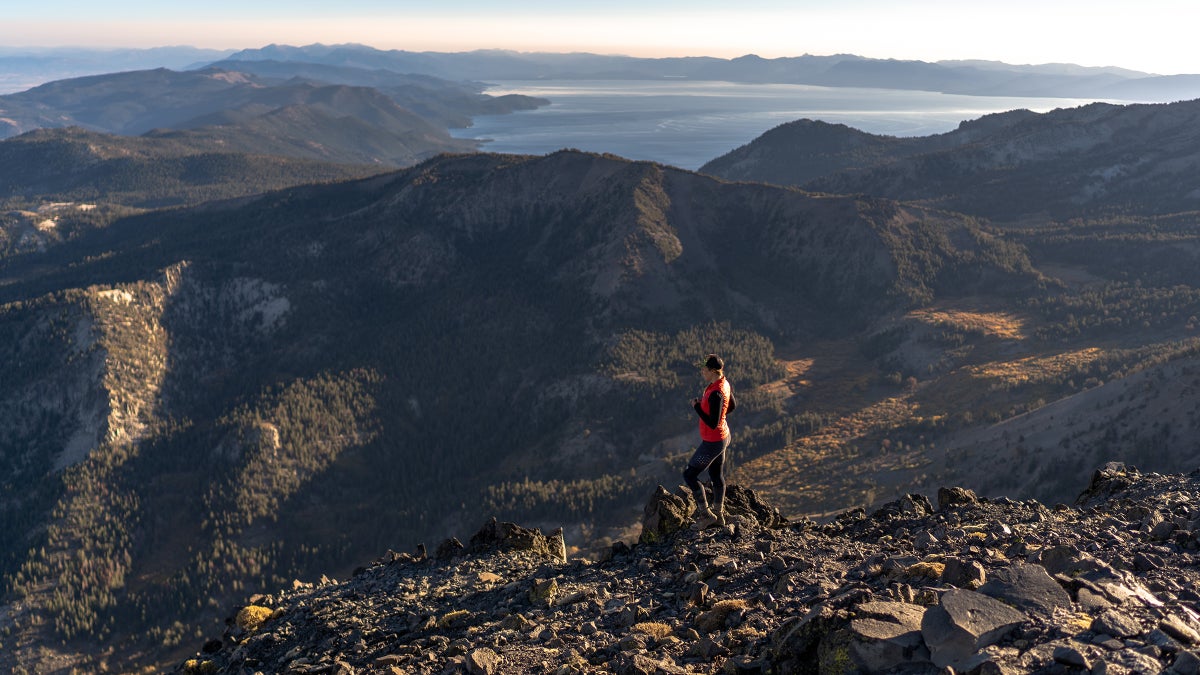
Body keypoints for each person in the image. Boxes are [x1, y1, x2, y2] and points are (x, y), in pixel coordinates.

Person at [684, 353, 736, 529]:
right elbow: (733, 406)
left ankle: (706, 515)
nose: (702, 372)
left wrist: (697, 407)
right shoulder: (722, 384)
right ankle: (719, 515)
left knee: (689, 475)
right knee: (715, 475)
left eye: (704, 369)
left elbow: (713, 424)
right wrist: (719, 414)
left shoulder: (716, 393)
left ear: (713, 371)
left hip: (713, 441)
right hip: (722, 437)